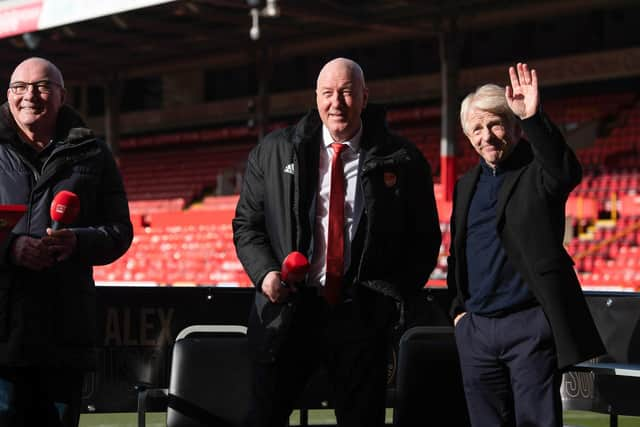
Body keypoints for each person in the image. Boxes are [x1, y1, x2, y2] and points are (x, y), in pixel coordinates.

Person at [233, 57, 441, 427]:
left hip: (360, 316)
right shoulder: (274, 151)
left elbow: (424, 240)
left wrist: (390, 297)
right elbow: (248, 225)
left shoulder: (404, 159)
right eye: (328, 93)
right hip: (289, 314)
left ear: (364, 96)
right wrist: (265, 273)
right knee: (262, 417)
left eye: (346, 92)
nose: (336, 102)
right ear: (315, 98)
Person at [448, 63, 605, 427]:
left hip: (529, 328)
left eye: (494, 124)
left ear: (511, 125)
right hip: (477, 331)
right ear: (467, 136)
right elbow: (459, 252)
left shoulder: (536, 170)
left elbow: (566, 172)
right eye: (476, 128)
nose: (486, 135)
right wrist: (460, 314)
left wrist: (534, 117)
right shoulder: (465, 184)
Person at [0, 57, 133, 426]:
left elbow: (120, 231)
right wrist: (11, 248)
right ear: (8, 95)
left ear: (62, 96)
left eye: (42, 87)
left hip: (64, 334)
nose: (30, 95)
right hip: (3, 337)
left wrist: (76, 241)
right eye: (19, 88)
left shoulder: (94, 153)